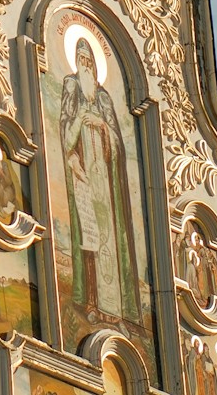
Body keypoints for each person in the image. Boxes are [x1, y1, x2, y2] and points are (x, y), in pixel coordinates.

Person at [58, 37, 140, 328]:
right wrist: (81, 123)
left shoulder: (104, 97)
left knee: (110, 237)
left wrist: (104, 127)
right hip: (84, 177)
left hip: (105, 180)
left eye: (89, 59)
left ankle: (115, 311)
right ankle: (91, 302)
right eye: (80, 59)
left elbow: (117, 142)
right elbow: (65, 127)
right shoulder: (71, 86)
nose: (85, 64)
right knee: (89, 235)